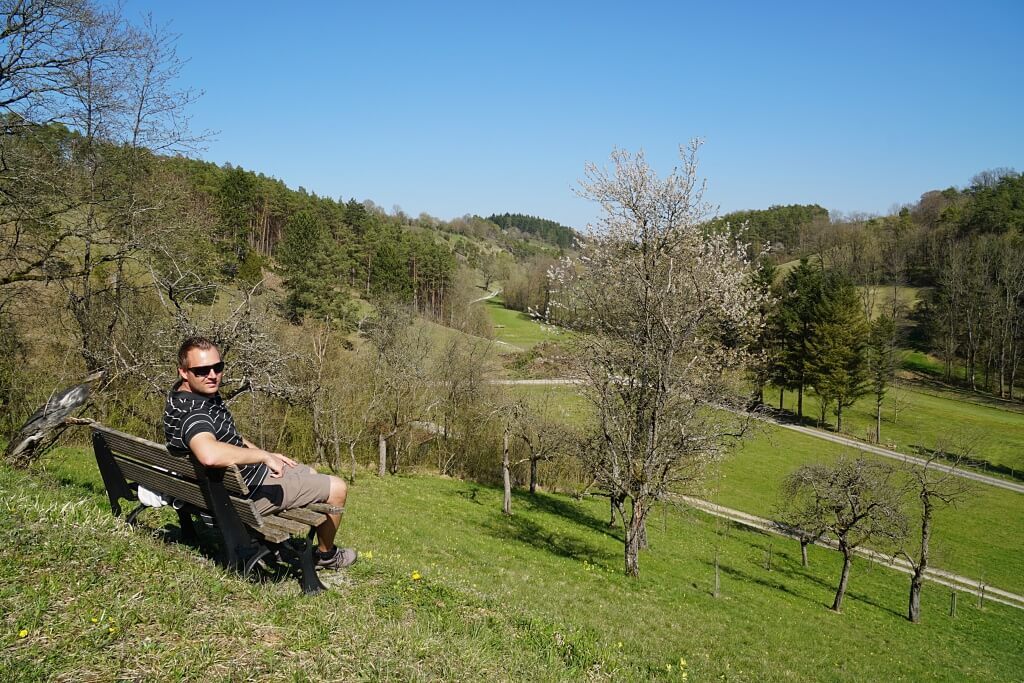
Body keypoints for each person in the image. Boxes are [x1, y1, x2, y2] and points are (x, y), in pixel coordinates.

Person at [163, 336, 357, 569]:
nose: (212, 375)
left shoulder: (183, 398)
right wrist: (264, 457)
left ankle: (283, 544)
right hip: (239, 501)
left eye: (218, 367)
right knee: (337, 488)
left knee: (310, 473)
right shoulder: (195, 413)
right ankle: (326, 557)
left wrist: (265, 454)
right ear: (184, 372)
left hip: (228, 489)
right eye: (202, 370)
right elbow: (209, 454)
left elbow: (225, 436)